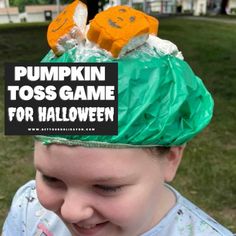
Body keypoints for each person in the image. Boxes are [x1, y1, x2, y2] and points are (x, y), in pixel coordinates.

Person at [2, 3, 234, 236]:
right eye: (51, 179)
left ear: (172, 159)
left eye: (106, 187)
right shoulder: (28, 207)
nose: (72, 211)